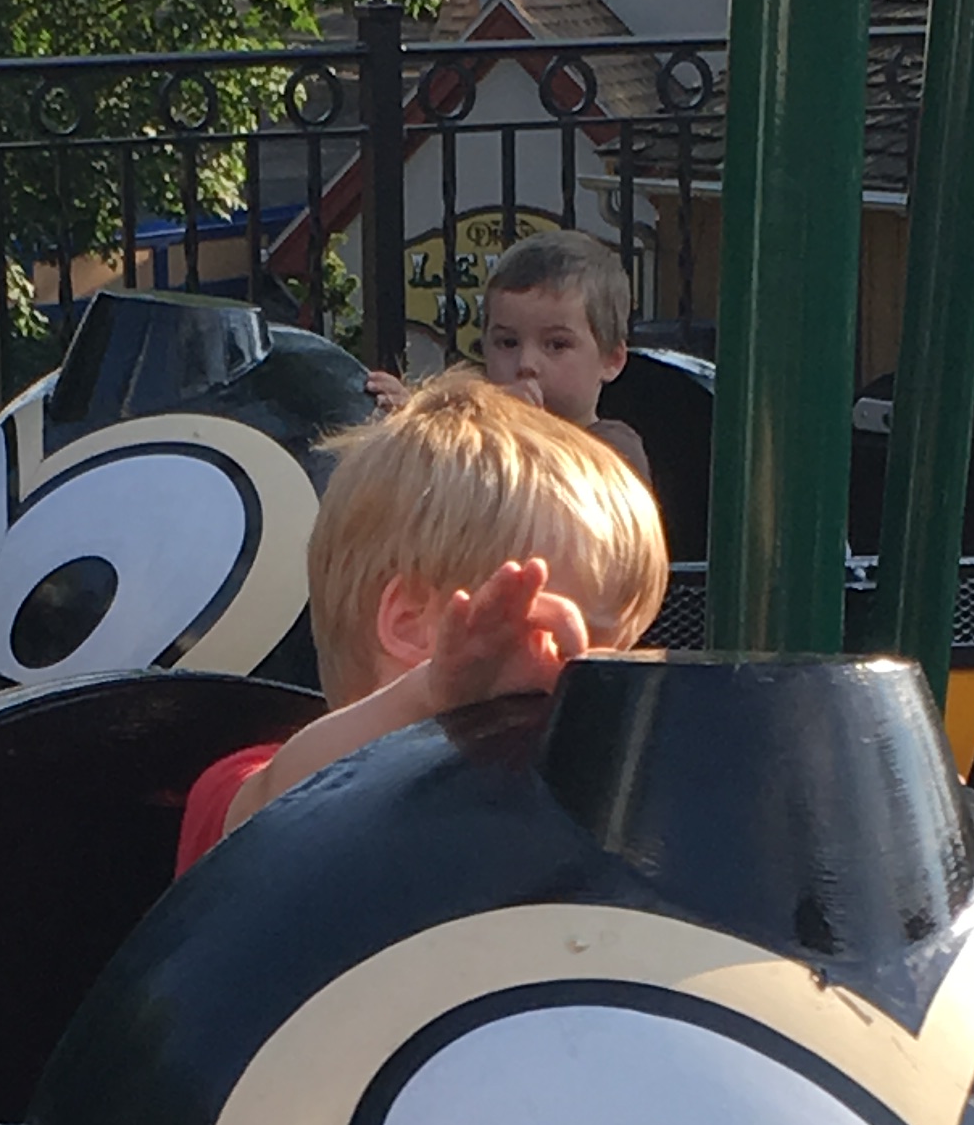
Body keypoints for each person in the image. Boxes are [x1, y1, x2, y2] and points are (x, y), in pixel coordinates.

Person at [173, 367, 668, 872]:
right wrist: (431, 694)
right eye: (559, 642)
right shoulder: (259, 778)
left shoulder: (549, 819)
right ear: (411, 623)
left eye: (619, 651)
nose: (602, 680)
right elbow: (271, 808)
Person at [473, 229, 655, 484]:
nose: (526, 364)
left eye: (557, 345)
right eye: (508, 343)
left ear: (611, 360)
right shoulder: (471, 437)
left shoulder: (614, 449)